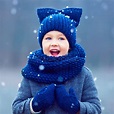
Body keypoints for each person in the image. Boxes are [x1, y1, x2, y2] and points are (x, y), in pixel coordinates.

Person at [12, 7, 102, 114]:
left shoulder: (83, 74)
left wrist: (77, 107)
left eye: (61, 38)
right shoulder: (32, 72)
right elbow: (16, 108)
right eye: (48, 38)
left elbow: (96, 109)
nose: (54, 43)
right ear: (42, 43)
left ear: (70, 45)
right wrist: (34, 104)